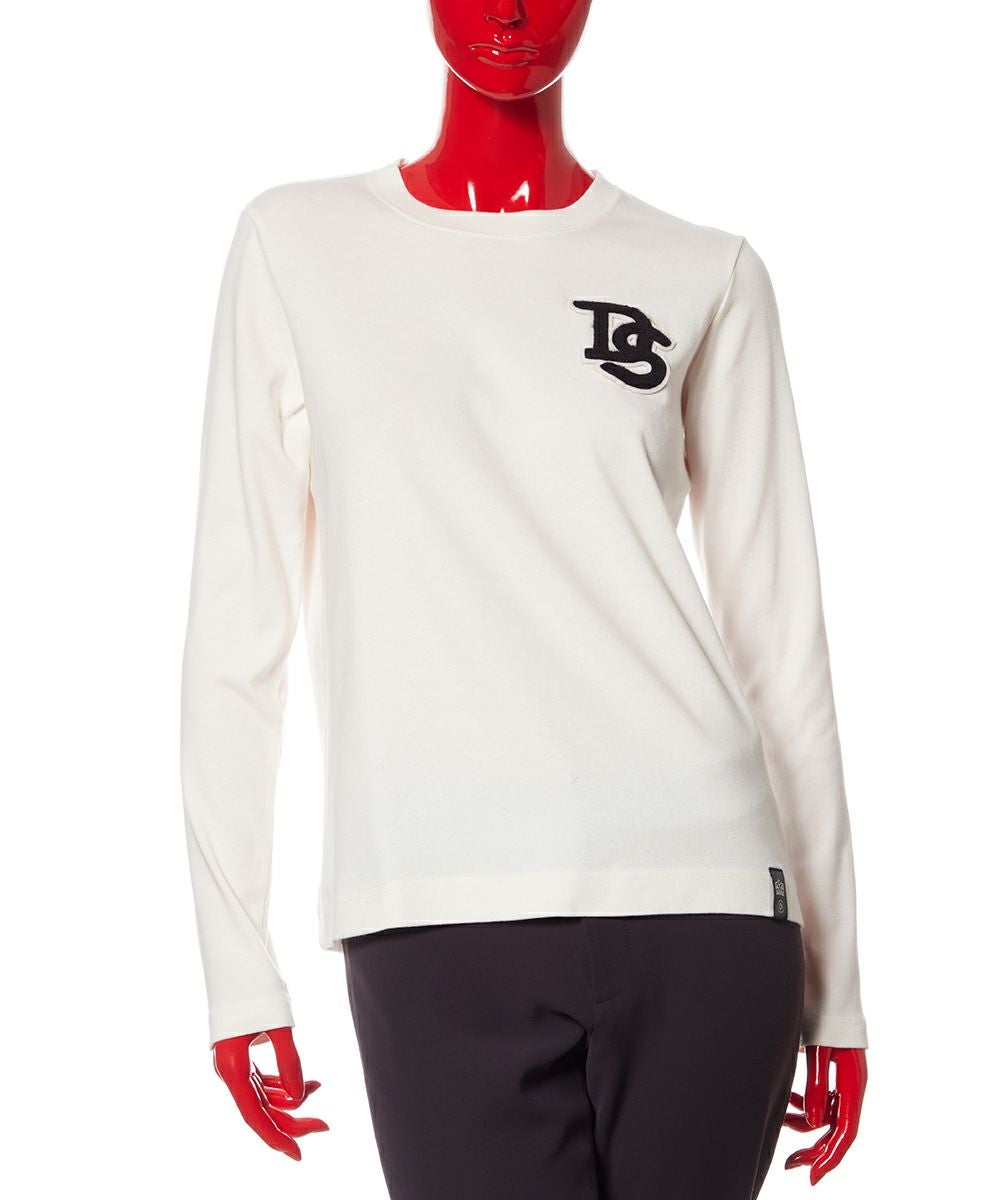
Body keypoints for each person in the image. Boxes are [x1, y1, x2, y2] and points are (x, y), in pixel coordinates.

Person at [179, 1, 870, 1193]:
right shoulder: (297, 247)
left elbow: (780, 644)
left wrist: (837, 987)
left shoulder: (701, 271)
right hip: (434, 906)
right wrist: (238, 971)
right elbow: (238, 632)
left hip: (705, 903)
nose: (510, 7)